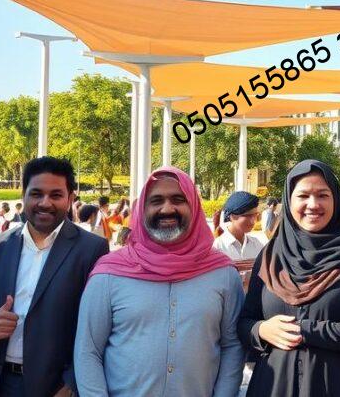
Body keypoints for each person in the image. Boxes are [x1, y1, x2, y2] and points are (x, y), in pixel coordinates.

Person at [75, 167, 243, 396]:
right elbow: (88, 351)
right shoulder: (109, 274)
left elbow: (231, 346)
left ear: (193, 206)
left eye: (178, 199)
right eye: (156, 201)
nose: (167, 208)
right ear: (142, 209)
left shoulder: (222, 273)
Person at [239, 160, 340, 397]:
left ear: (335, 200)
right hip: (276, 385)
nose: (313, 204)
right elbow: (245, 321)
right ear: (289, 200)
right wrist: (262, 329)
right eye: (303, 196)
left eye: (322, 195)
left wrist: (305, 330)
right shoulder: (270, 257)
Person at [0, 157, 108, 397]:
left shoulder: (92, 249)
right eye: (36, 194)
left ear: (70, 198)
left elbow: (100, 326)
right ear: (24, 196)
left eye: (56, 195)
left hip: (56, 387)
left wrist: (71, 384)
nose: (45, 203)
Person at [213, 191, 265, 288]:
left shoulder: (257, 245)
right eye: (248, 216)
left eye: (256, 215)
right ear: (232, 216)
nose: (253, 221)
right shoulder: (217, 248)